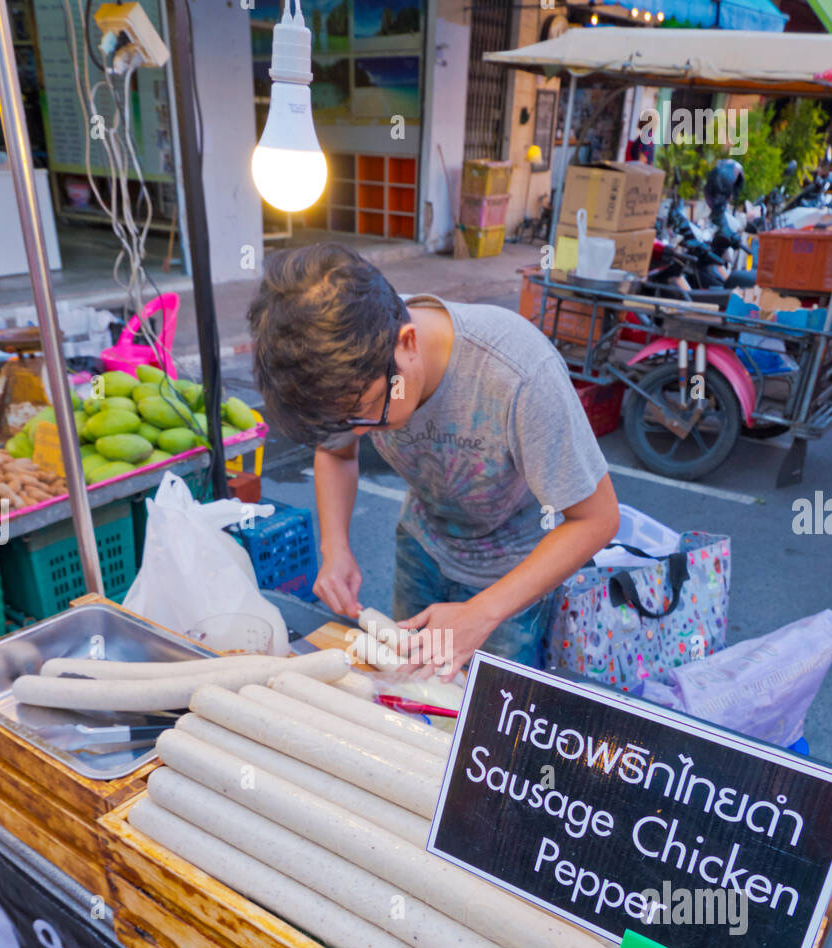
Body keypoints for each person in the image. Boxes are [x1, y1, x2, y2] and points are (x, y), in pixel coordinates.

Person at [248, 243, 619, 679]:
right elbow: (336, 450)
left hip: (511, 576)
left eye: (369, 411)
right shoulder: (347, 360)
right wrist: (336, 548)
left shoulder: (519, 374)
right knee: (408, 694)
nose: (360, 431)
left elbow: (596, 519)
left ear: (407, 344)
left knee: (484, 716)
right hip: (422, 548)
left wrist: (482, 612)